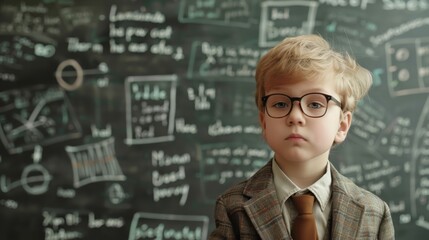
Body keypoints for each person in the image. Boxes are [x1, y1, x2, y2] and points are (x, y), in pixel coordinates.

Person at [209, 34, 395, 239]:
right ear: (264, 122)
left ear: (342, 125)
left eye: (315, 104)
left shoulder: (374, 212)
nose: (295, 116)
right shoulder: (232, 207)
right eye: (280, 104)